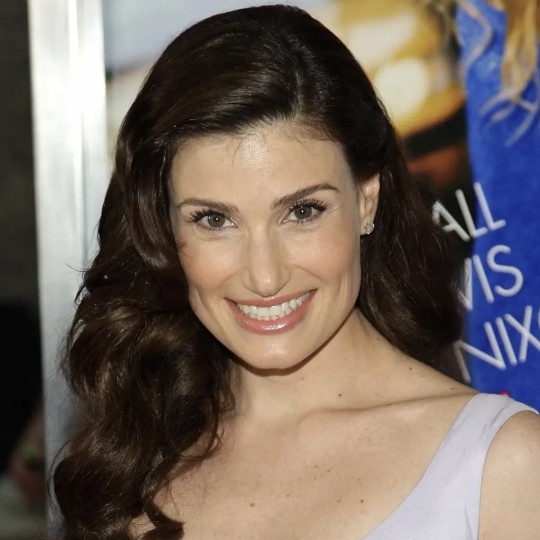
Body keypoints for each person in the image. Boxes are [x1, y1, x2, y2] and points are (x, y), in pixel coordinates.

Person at [51, 4, 540, 539]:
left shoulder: (505, 464)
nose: (265, 277)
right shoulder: (130, 469)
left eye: (302, 211)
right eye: (214, 220)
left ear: (367, 199)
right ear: (163, 229)